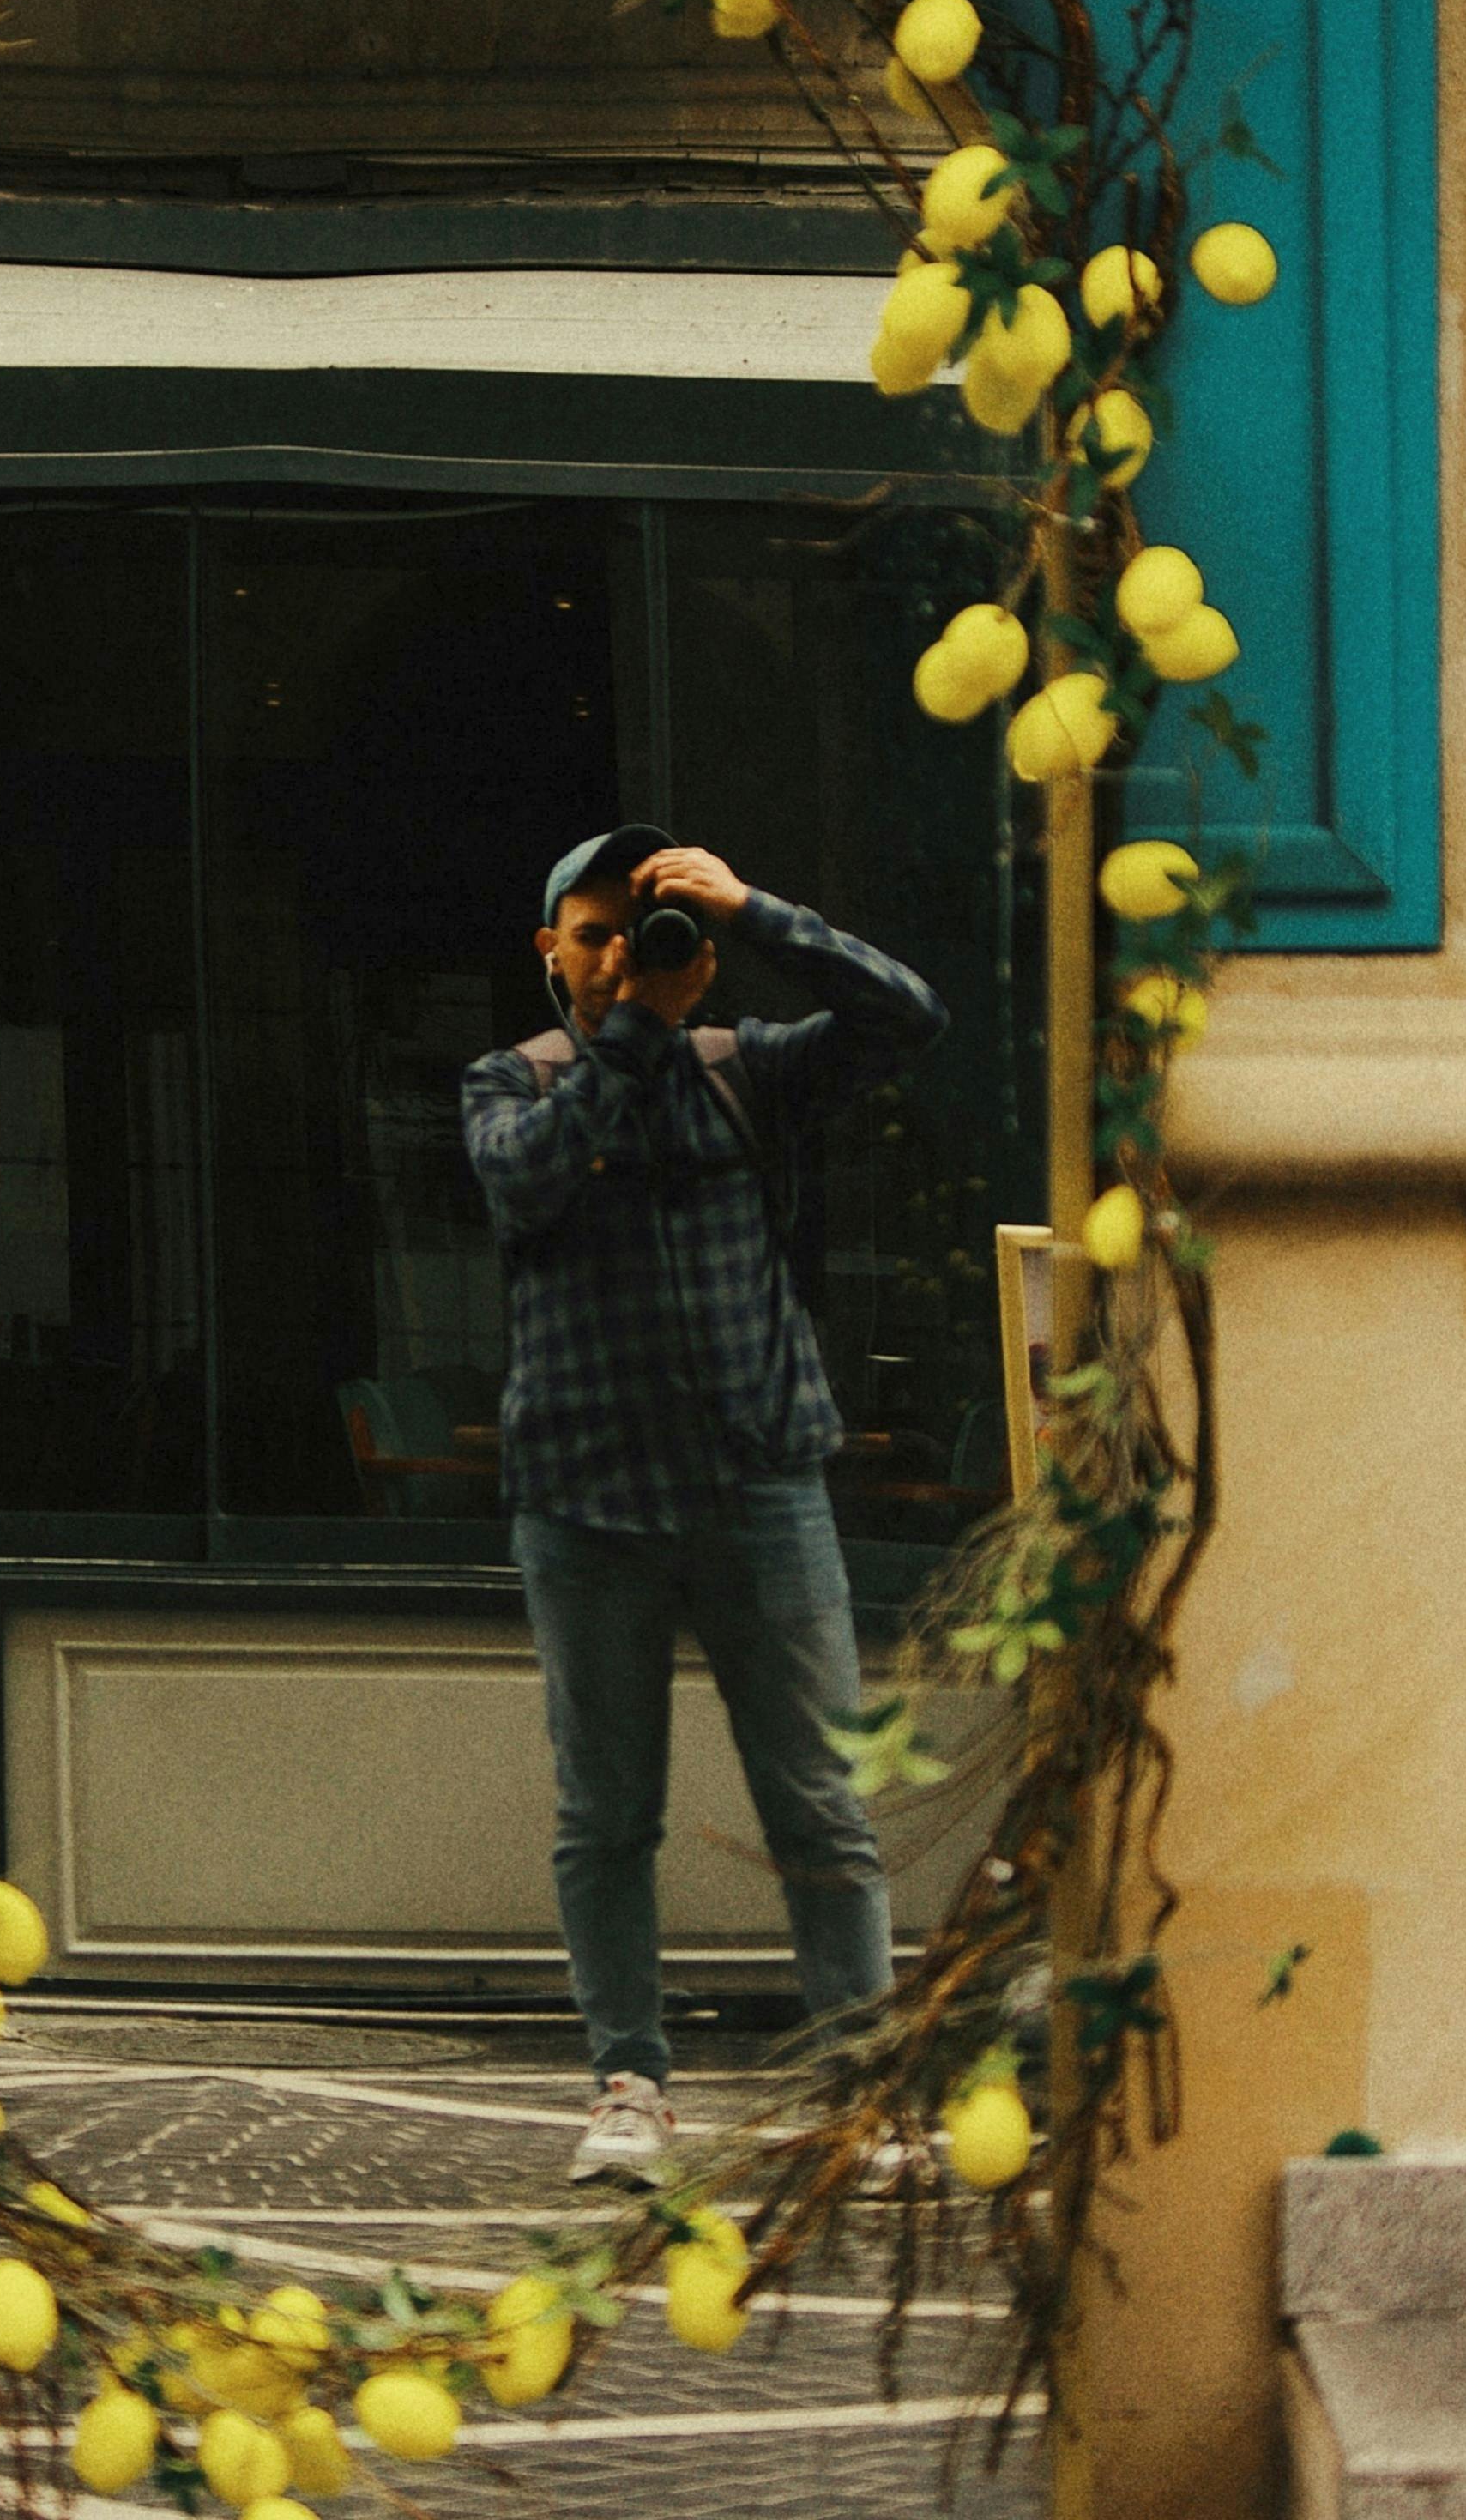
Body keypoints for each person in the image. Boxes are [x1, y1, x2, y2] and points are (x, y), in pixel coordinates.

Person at [461, 825, 948, 2184]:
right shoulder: (511, 1081)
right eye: (595, 932)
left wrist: (759, 910)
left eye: (647, 930)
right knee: (606, 1814)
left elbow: (910, 1016)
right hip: (585, 1505)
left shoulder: (753, 1072)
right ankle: (629, 2087)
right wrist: (633, 1034)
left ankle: (859, 2092)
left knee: (824, 1809)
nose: (624, 956)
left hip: (759, 1490)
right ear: (550, 949)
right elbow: (527, 1179)